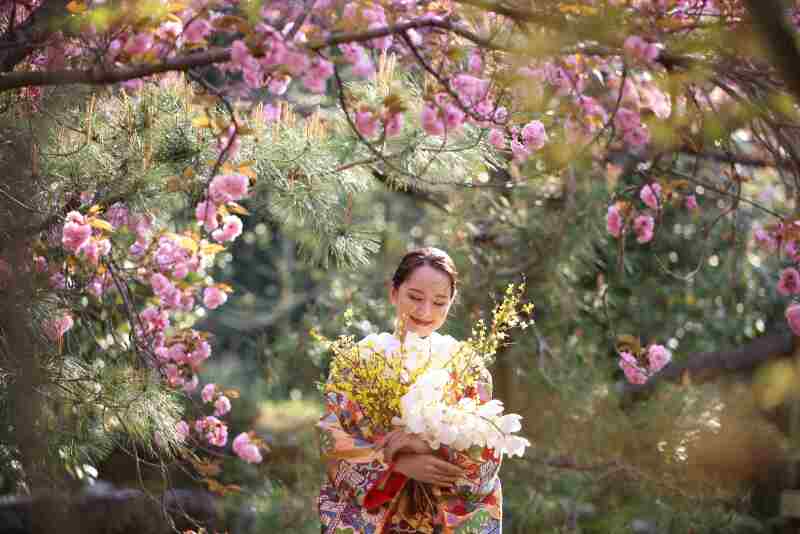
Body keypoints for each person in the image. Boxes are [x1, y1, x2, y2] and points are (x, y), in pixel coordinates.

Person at [317, 247, 502, 533]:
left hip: (440, 517)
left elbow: (487, 448)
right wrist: (396, 463)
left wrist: (426, 446)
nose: (425, 311)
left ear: (451, 302)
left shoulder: (466, 366)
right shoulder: (358, 360)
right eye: (415, 297)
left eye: (439, 302)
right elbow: (332, 439)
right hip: (376, 515)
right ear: (394, 293)